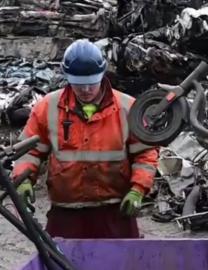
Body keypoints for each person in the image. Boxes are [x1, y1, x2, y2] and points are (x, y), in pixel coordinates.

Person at [12, 39, 158, 239]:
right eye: (80, 85)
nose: (86, 90)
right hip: (66, 212)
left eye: (92, 84)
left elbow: (145, 153)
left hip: (114, 211)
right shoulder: (48, 107)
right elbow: (29, 151)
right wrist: (23, 179)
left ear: (102, 75)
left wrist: (138, 189)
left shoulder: (127, 108)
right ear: (68, 78)